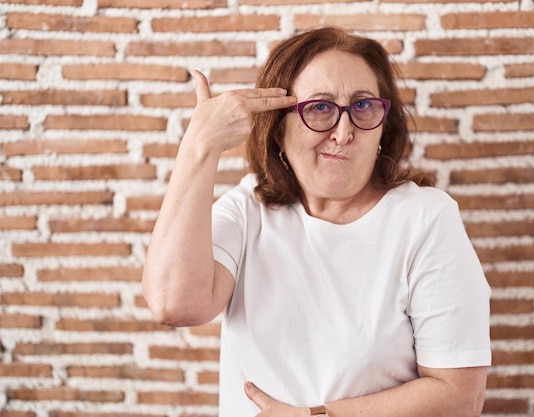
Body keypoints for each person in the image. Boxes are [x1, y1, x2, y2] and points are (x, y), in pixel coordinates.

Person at [142, 27, 491, 417]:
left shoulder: (425, 218)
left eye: (363, 106)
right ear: (278, 129)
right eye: (320, 108)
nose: (343, 133)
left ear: (382, 128)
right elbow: (174, 304)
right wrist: (199, 147)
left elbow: (461, 398)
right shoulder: (248, 210)